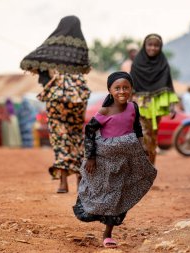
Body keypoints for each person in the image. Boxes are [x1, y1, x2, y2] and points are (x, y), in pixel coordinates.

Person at [73, 72, 157, 248]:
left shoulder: (133, 107)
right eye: (117, 88)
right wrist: (90, 157)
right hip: (104, 161)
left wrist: (142, 149)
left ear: (131, 89)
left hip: (125, 160)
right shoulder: (104, 111)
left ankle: (107, 233)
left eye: (126, 87)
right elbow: (89, 132)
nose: (122, 91)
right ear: (110, 90)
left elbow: (137, 129)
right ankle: (91, 208)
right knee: (100, 190)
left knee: (117, 195)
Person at [20, 15, 91, 193]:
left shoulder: (52, 44)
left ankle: (62, 182)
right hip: (77, 97)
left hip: (56, 98)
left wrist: (47, 74)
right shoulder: (81, 45)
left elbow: (27, 61)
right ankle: (80, 178)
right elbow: (85, 68)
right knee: (76, 137)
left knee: (60, 138)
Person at [130, 34, 179, 165]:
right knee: (143, 135)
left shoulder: (163, 63)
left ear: (160, 47)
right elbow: (130, 85)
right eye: (150, 45)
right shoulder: (137, 63)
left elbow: (168, 85)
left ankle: (151, 168)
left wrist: (172, 106)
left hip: (157, 105)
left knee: (153, 137)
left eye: (156, 45)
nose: (153, 48)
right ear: (144, 46)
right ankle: (143, 167)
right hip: (140, 105)